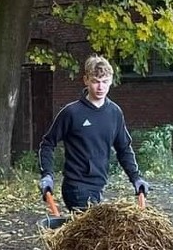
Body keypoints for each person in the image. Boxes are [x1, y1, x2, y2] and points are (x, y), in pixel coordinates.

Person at [38, 55, 148, 210]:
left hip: (99, 184)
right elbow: (47, 144)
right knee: (96, 231)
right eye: (96, 81)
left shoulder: (114, 112)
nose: (100, 87)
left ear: (111, 81)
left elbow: (124, 148)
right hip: (76, 187)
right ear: (86, 80)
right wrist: (47, 175)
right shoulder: (72, 113)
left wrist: (136, 178)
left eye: (105, 81)